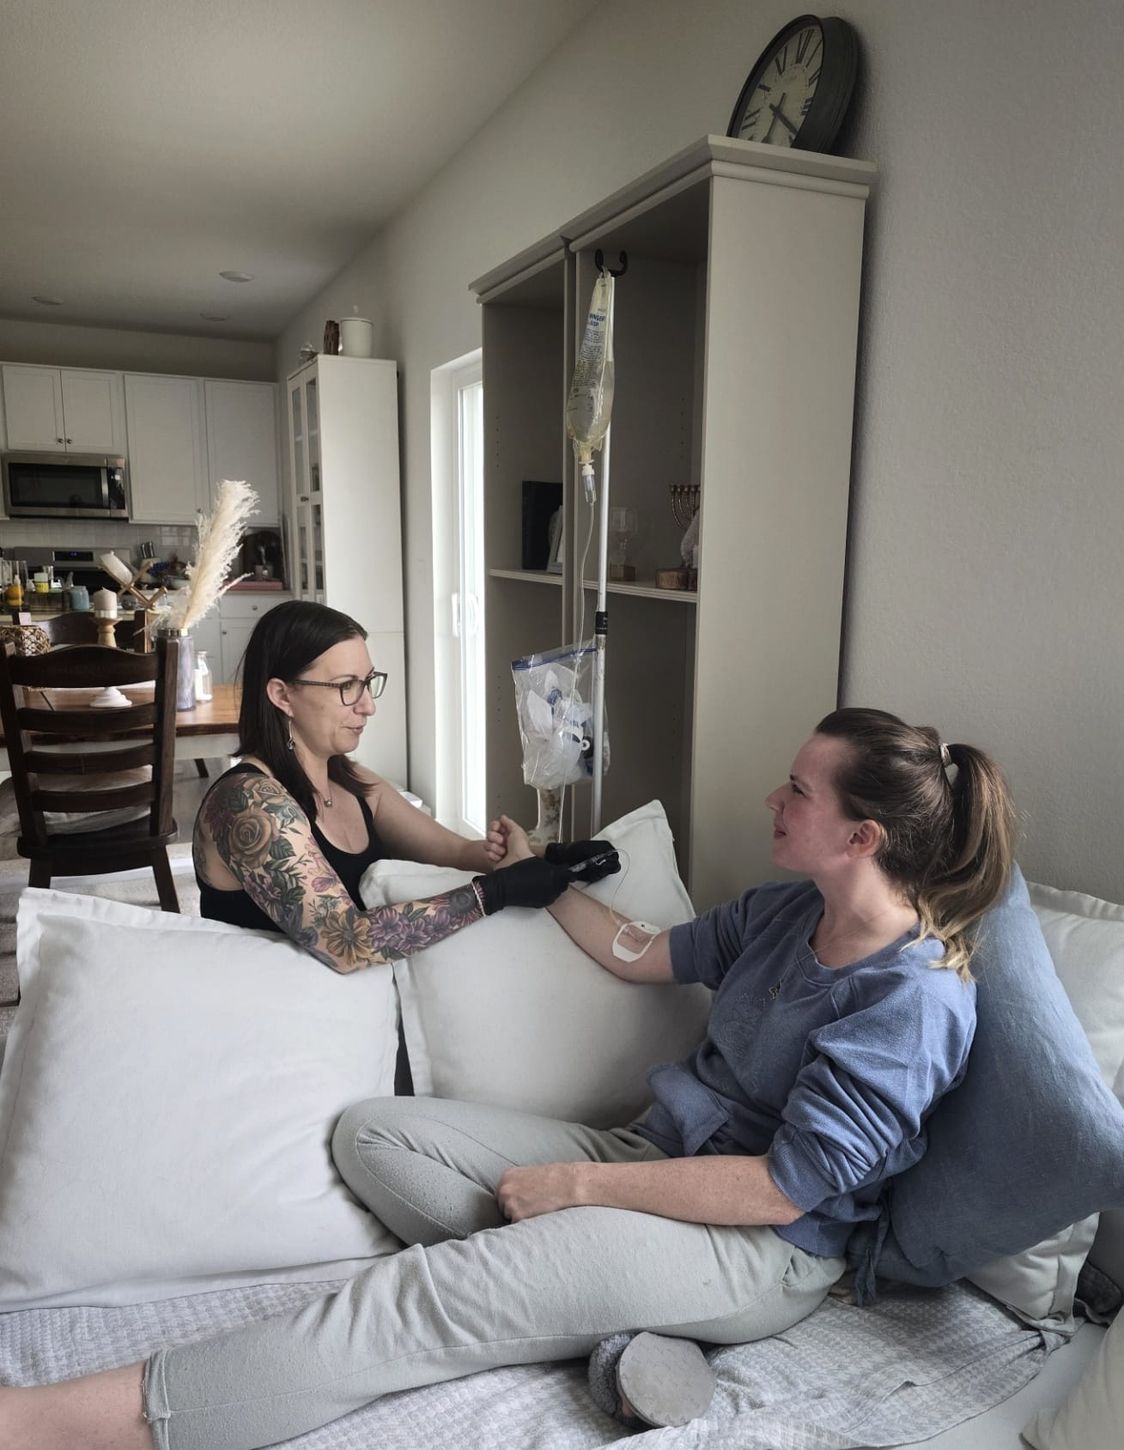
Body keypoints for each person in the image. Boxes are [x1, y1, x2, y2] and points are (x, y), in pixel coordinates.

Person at [0, 707, 1017, 1450]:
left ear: (860, 835)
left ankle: (72, 1420)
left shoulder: (912, 999)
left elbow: (778, 1187)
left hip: (761, 1248)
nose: (773, 797)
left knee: (426, 1297)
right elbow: (637, 951)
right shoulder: (784, 910)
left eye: (798, 788)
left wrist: (576, 1190)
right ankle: (608, 1320)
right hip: (654, 1155)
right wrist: (535, 877)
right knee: (373, 1134)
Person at [190, 600, 619, 974]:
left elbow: (454, 852)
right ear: (282, 696)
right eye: (346, 687)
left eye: (368, 681)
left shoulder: (355, 781)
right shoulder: (248, 802)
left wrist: (549, 854)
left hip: (349, 1011)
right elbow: (347, 943)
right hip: (270, 1023)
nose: (368, 705)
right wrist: (496, 893)